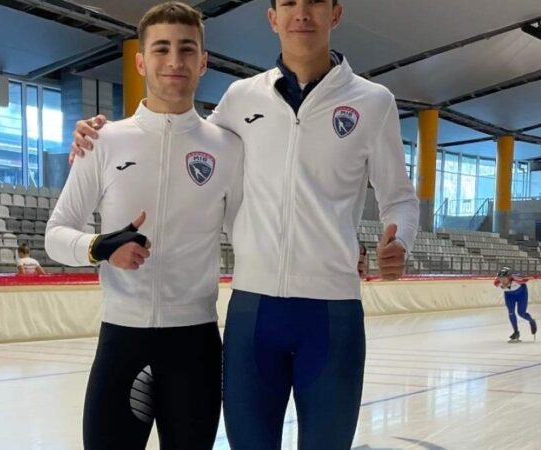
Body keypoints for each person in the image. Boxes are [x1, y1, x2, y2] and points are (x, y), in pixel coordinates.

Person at [70, 0, 419, 447]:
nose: (301, 13)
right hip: (254, 316)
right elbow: (181, 142)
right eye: (288, 3)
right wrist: (98, 137)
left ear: (335, 12)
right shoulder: (241, 98)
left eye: (313, 2)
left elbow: (400, 200)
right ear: (272, 18)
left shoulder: (373, 102)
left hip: (332, 317)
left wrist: (400, 240)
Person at [45, 3, 243, 449]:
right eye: (162, 49)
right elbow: (56, 234)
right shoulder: (103, 140)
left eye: (187, 49)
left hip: (194, 345)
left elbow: (251, 238)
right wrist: (100, 246)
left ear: (204, 61)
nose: (175, 61)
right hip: (122, 341)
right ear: (140, 61)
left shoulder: (228, 148)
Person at [494, 267, 538, 343]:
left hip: (522, 294)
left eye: (504, 279)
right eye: (500, 279)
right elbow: (497, 283)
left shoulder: (517, 280)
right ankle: (516, 332)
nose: (502, 281)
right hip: (509, 295)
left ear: (509, 277)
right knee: (511, 312)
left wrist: (531, 277)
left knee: (521, 313)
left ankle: (531, 321)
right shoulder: (497, 282)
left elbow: (528, 278)